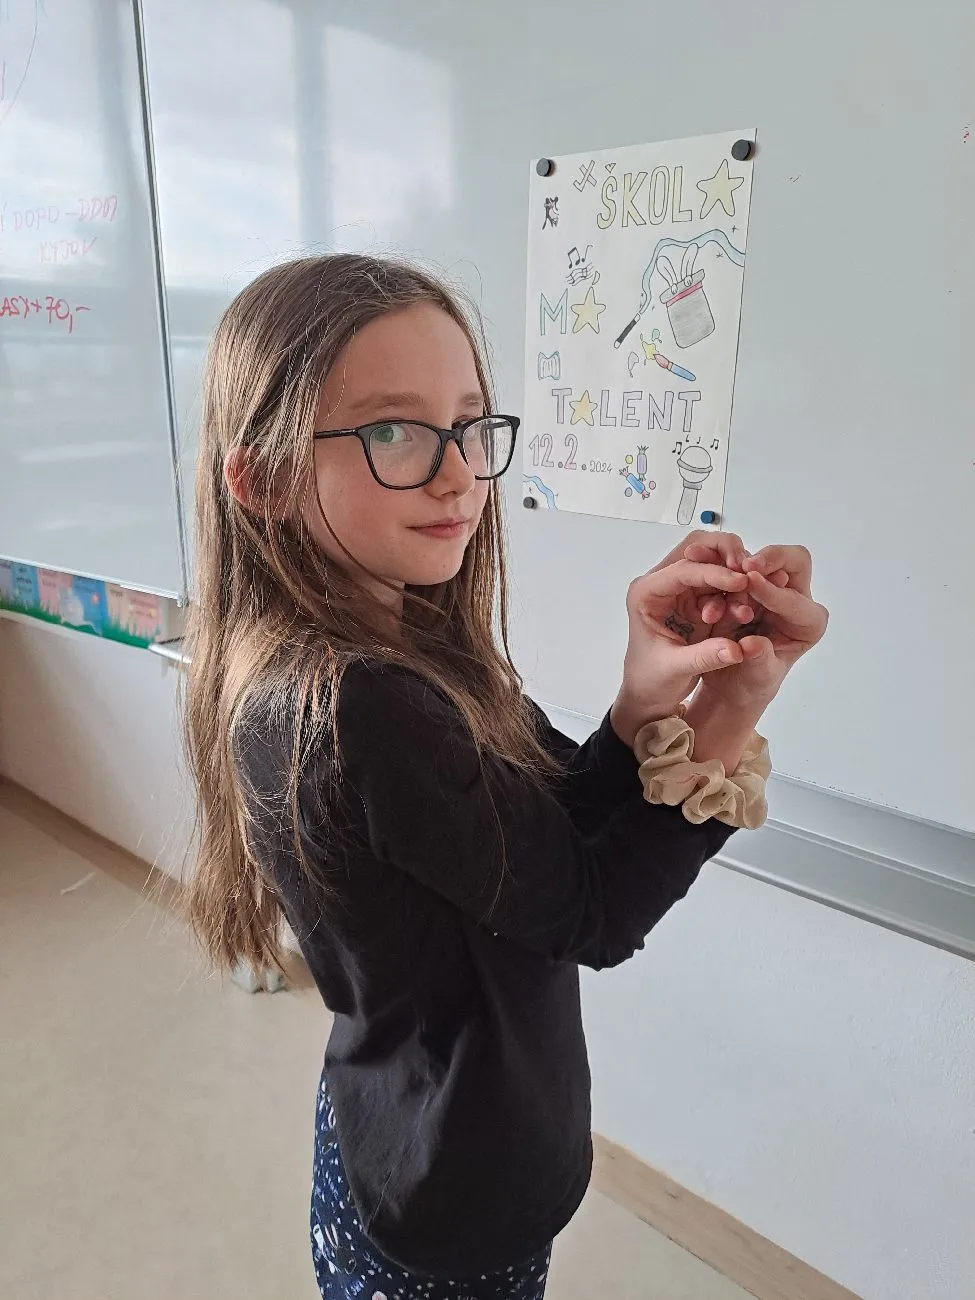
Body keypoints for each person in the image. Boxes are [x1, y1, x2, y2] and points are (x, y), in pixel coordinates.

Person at [183, 253, 827, 1299]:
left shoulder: (392, 649)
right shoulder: (358, 701)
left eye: (468, 424)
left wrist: (645, 700)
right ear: (261, 479)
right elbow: (593, 911)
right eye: (393, 432)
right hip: (455, 1184)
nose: (458, 475)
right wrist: (729, 709)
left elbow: (545, 837)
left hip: (402, 1130)